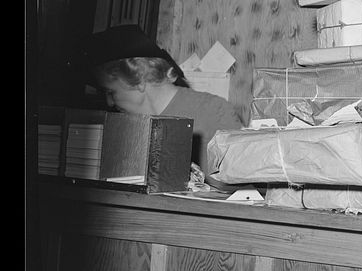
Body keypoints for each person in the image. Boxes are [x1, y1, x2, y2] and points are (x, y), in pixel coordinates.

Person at [78, 24, 243, 172]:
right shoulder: (120, 125)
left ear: (139, 78)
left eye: (111, 92)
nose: (109, 102)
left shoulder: (214, 112)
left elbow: (236, 189)